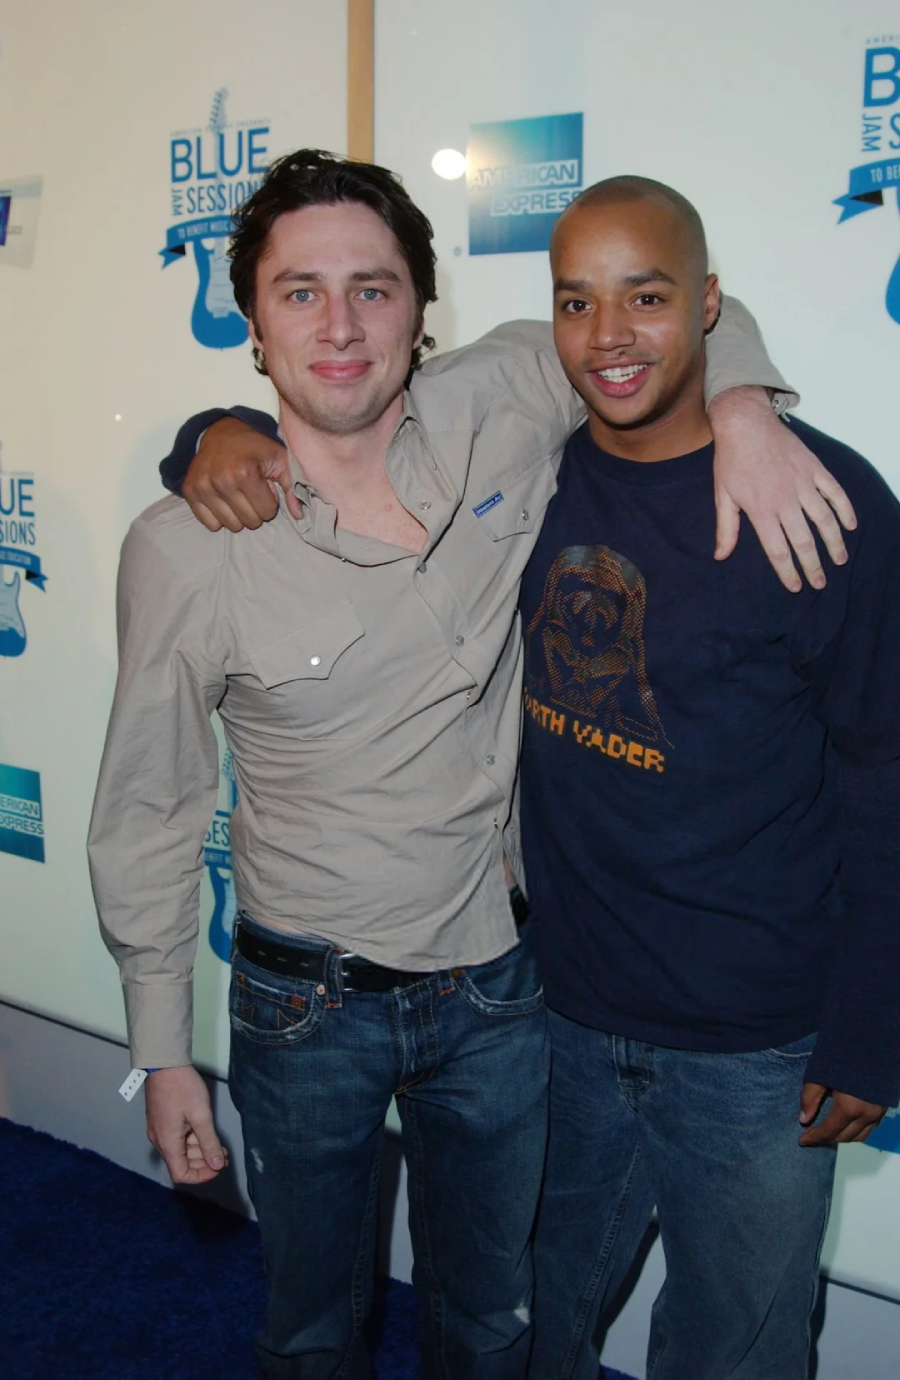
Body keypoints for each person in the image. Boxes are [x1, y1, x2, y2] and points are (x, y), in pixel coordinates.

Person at [89, 150, 852, 1380]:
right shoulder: (184, 548)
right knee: (311, 1330)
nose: (340, 327)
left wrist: (748, 406)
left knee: (492, 1325)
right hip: (303, 1008)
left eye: (373, 289)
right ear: (252, 321)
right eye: (301, 293)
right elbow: (149, 804)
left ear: (420, 309)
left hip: (501, 995)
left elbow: (665, 306)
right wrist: (160, 1048)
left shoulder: (503, 395)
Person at [519, 176, 900, 1380]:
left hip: (757, 1050)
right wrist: (220, 432)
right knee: (520, 1324)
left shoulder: (823, 506)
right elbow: (351, 401)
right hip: (558, 1016)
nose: (610, 335)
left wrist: (874, 1024)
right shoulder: (523, 476)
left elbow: (888, 768)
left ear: (711, 306)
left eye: (647, 295)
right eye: (578, 302)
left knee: (734, 1357)